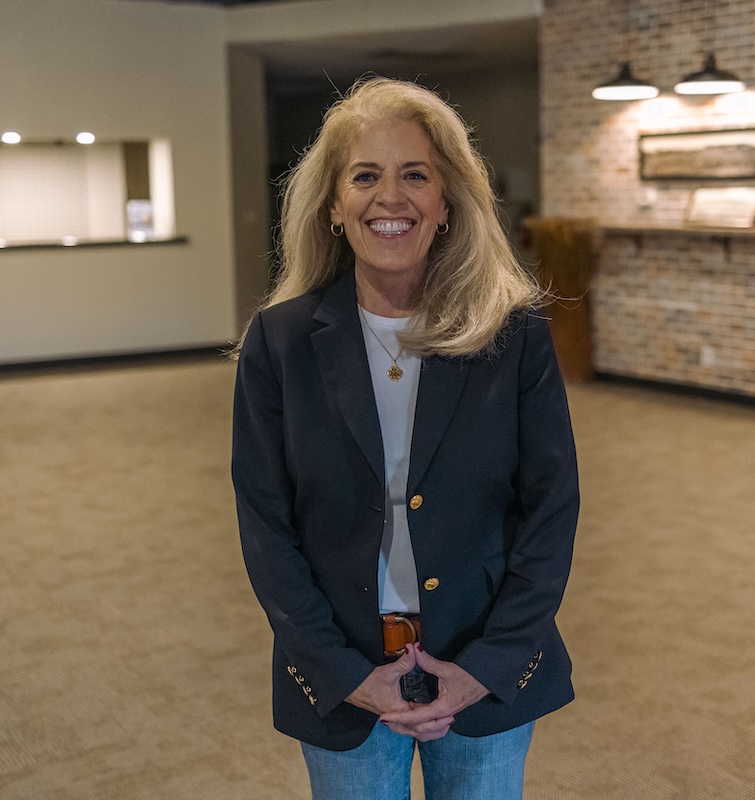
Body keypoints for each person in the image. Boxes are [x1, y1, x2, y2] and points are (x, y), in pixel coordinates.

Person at [231, 76, 579, 800]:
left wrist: (488, 665)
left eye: (415, 175)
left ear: (447, 201)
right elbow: (266, 524)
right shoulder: (280, 341)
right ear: (334, 206)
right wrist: (341, 671)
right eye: (365, 176)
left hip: (483, 658)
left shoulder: (512, 334)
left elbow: (551, 510)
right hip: (345, 669)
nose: (391, 197)